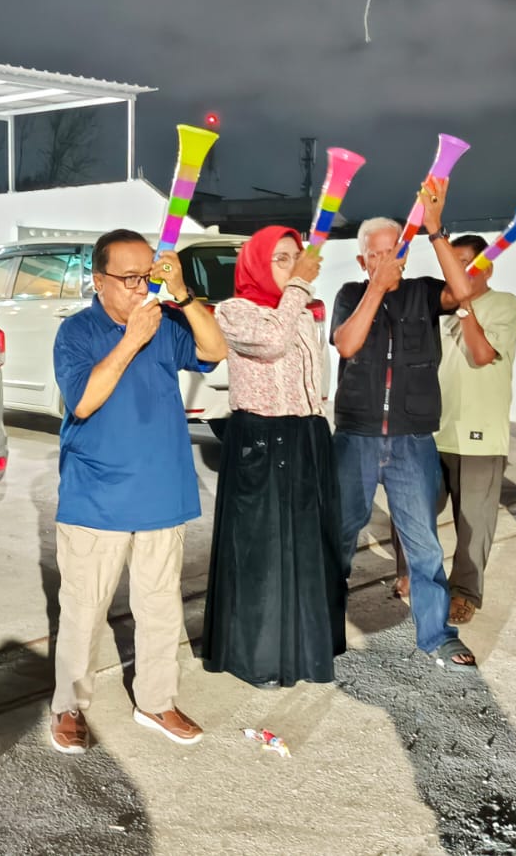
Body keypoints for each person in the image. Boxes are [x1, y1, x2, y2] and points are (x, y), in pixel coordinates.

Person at [48, 228, 228, 754]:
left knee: (160, 607)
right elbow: (83, 401)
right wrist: (130, 340)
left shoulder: (166, 321)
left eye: (147, 275)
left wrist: (184, 295)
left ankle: (156, 700)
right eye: (128, 278)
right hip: (95, 496)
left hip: (160, 490)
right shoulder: (76, 332)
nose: (139, 287)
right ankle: (69, 705)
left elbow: (215, 349)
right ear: (98, 280)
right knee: (83, 610)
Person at [332, 177, 480, 671]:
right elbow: (347, 344)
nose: (384, 260)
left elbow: (464, 292)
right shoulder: (351, 293)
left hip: (413, 439)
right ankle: (323, 627)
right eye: (375, 254)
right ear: (362, 261)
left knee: (423, 544)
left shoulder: (422, 293)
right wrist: (376, 289)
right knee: (339, 536)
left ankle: (437, 635)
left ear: (405, 253)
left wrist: (435, 230)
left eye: (392, 251)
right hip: (356, 436)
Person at [201, 226, 345, 687]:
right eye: (280, 259)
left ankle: (305, 651)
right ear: (255, 264)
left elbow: (312, 374)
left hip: (306, 434)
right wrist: (299, 283)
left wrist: (319, 424)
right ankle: (258, 658)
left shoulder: (298, 311)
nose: (292, 266)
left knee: (306, 547)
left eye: (295, 257)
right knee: (263, 554)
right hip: (262, 441)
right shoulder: (235, 310)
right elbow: (272, 342)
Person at [432, 234, 516, 625]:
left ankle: (464, 593)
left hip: (480, 435)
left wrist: (465, 308)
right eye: (451, 262)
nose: (457, 269)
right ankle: (415, 577)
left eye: (465, 261)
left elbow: (482, 355)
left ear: (487, 267)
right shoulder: (436, 307)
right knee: (414, 514)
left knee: (474, 523)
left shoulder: (504, 304)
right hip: (432, 430)